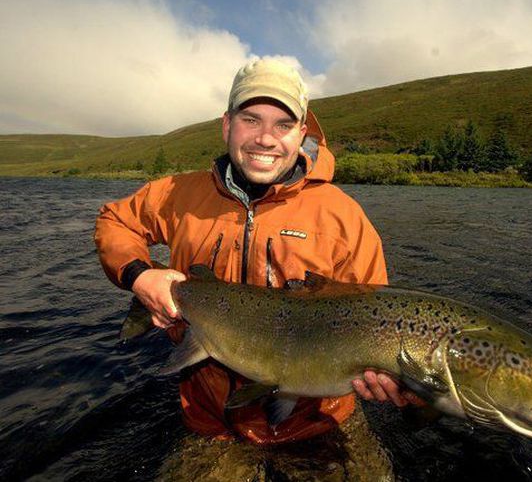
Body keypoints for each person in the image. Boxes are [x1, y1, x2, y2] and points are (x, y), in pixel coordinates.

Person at [95, 58, 418, 445]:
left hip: (319, 424)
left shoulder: (343, 216)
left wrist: (386, 376)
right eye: (251, 119)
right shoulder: (178, 194)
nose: (266, 138)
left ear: (302, 134)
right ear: (227, 125)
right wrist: (140, 276)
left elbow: (375, 321)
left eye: (283, 125)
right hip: (209, 422)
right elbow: (116, 221)